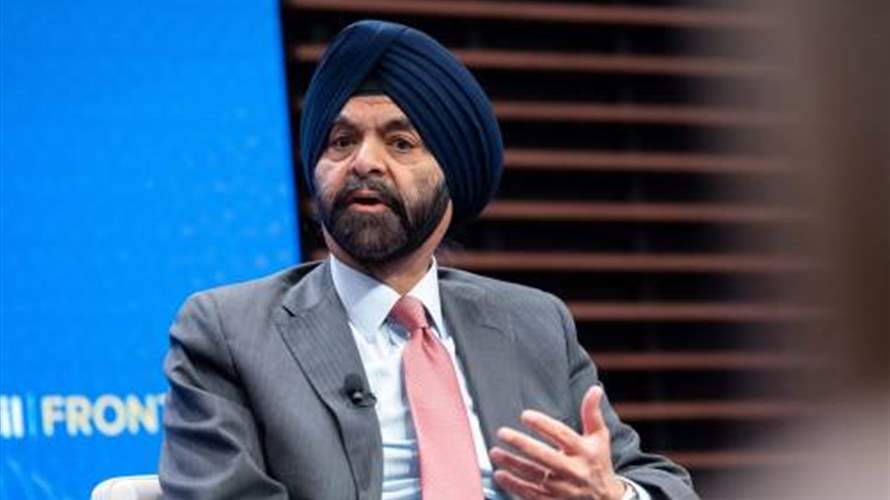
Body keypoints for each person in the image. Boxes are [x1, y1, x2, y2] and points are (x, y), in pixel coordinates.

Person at [159, 20, 698, 500]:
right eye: (341, 141)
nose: (364, 162)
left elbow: (662, 484)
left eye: (401, 143)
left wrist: (610, 494)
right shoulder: (230, 331)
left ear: (453, 178)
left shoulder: (535, 323)